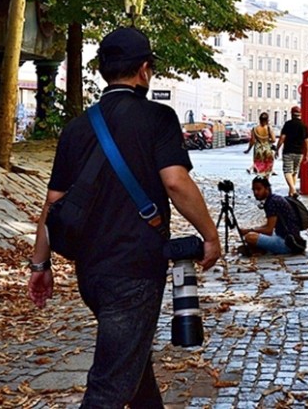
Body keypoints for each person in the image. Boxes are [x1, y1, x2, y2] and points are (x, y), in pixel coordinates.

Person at [27, 27, 221, 408]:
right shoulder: (158, 118)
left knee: (133, 364)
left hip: (92, 276)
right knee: (109, 387)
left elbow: (53, 203)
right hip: (133, 271)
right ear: (145, 70)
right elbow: (176, 182)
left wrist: (40, 264)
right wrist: (210, 235)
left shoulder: (77, 128)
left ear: (103, 70)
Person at [238, 176, 306, 255]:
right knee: (255, 235)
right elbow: (270, 226)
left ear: (267, 189)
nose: (255, 193)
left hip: (287, 243)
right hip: (288, 237)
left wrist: (248, 231)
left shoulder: (271, 203)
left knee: (249, 237)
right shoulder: (274, 198)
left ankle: (261, 249)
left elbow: (268, 230)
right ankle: (259, 249)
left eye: (259, 189)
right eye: (254, 190)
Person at [275, 105, 308, 198]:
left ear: (291, 114)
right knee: (294, 172)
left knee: (287, 171)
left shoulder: (288, 124)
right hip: (299, 152)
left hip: (288, 151)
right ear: (300, 114)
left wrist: (277, 149)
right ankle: (291, 193)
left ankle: (293, 190)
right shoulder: (304, 126)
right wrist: (307, 155)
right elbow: (307, 143)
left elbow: (282, 138)